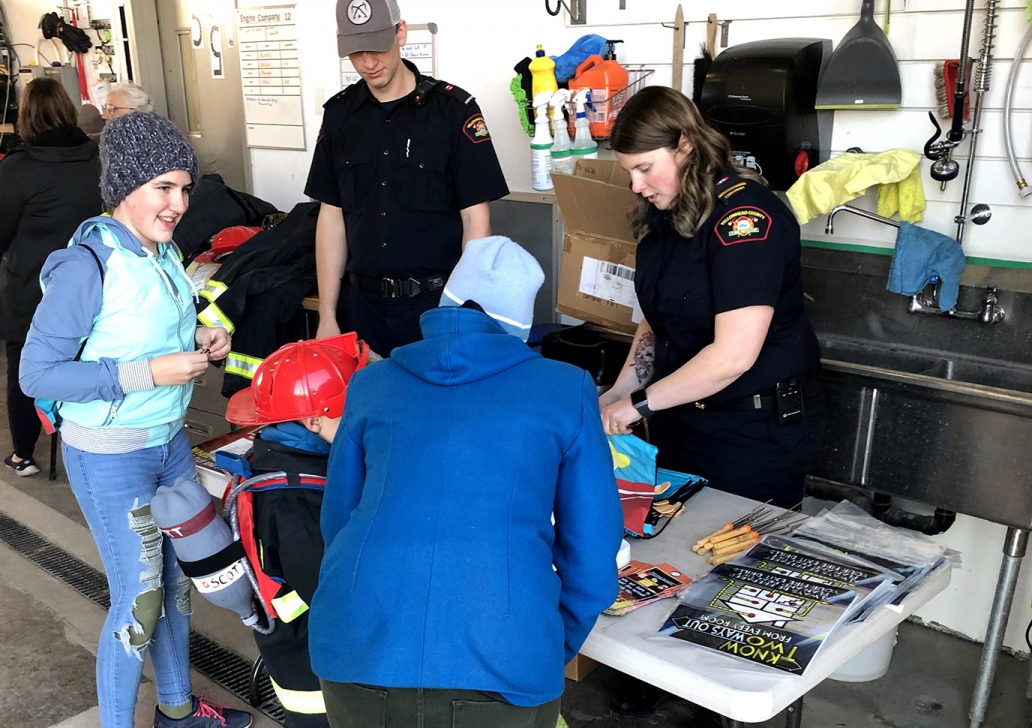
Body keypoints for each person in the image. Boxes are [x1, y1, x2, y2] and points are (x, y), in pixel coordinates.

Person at [309, 236, 622, 727]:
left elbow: (338, 521)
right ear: (519, 325)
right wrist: (541, 641)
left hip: (357, 641)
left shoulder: (372, 382)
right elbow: (593, 548)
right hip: (504, 652)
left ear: (445, 306)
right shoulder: (565, 388)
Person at [19, 111, 250, 728]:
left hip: (168, 444)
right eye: (163, 188)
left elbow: (148, 325)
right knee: (139, 601)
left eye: (185, 188)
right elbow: (37, 374)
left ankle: (178, 712)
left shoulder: (163, 251)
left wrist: (199, 336)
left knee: (176, 589)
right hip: (110, 453)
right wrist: (148, 372)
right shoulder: (86, 265)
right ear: (124, 185)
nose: (179, 204)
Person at [598, 85, 824, 510]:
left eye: (645, 168)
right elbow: (659, 319)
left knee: (732, 548)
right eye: (630, 172)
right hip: (680, 420)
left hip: (751, 432)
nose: (636, 185)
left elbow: (732, 356)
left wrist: (637, 405)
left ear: (684, 145)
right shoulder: (665, 218)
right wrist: (619, 392)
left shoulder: (744, 220)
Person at [304, 0, 509, 356]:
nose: (368, 62)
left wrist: (460, 314)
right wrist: (327, 315)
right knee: (363, 394)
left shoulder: (453, 112)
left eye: (377, 47)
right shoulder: (339, 116)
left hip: (435, 306)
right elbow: (332, 218)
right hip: (362, 309)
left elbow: (476, 222)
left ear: (400, 33)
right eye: (356, 52)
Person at [223, 332, 369, 728]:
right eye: (350, 409)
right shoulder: (292, 503)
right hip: (314, 668)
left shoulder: (279, 453)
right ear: (313, 420)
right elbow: (329, 594)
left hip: (305, 644)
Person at [0, 77, 102, 477]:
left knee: (25, 368)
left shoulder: (18, 167)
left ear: (26, 117)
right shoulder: (98, 157)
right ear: (68, 111)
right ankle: (92, 442)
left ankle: (24, 453)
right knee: (92, 359)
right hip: (94, 285)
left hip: (33, 287)